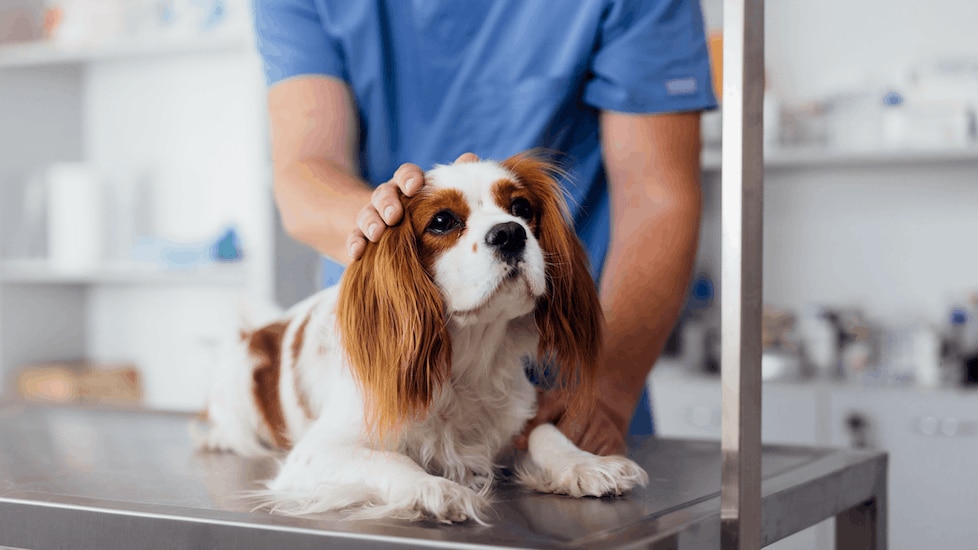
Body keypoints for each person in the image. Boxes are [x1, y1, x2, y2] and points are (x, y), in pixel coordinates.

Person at [254, 0, 717, 456]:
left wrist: (607, 390)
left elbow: (656, 195)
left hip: (571, 383)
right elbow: (305, 170)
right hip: (379, 370)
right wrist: (381, 220)